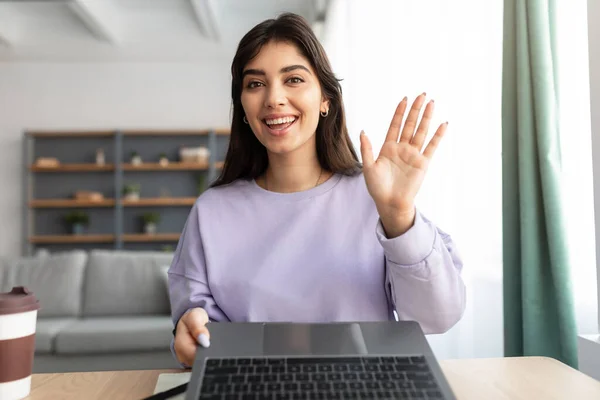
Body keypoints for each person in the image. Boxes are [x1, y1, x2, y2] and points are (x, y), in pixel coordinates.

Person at [168, 13, 465, 368]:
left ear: (325, 98)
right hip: (254, 386)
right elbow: (195, 325)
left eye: (293, 79)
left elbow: (440, 315)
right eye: (255, 84)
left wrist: (400, 215)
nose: (274, 99)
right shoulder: (212, 211)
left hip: (364, 385)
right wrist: (189, 338)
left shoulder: (376, 199)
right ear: (243, 110)